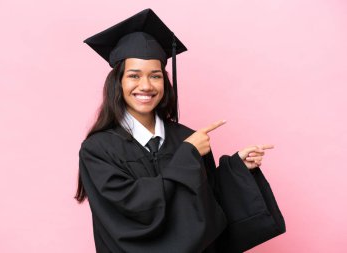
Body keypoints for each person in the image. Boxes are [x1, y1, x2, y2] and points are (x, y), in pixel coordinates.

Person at [75, 8, 285, 253]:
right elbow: (130, 208)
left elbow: (206, 201)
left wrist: (236, 169)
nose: (146, 85)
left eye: (155, 76)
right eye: (134, 76)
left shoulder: (188, 138)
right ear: (118, 83)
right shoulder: (97, 149)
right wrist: (187, 156)